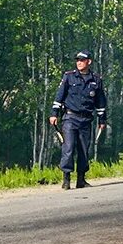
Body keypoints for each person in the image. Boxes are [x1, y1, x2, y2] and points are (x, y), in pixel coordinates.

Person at [49, 50, 107, 189]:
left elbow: (100, 102)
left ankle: (81, 179)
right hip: (70, 117)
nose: (79, 62)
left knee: (83, 149)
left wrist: (102, 121)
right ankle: (66, 179)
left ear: (89, 62)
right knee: (68, 148)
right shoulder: (69, 77)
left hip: (86, 120)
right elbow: (59, 96)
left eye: (82, 60)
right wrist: (54, 114)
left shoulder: (96, 80)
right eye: (77, 60)